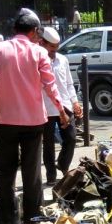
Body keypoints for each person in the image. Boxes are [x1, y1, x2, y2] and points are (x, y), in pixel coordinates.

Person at [0, 8, 68, 224]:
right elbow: (50, 85)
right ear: (33, 32)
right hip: (33, 122)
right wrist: (60, 110)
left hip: (6, 121)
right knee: (32, 174)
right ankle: (32, 222)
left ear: (14, 30)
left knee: (5, 175)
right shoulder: (39, 52)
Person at [39, 27, 83, 186]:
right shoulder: (37, 60)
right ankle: (51, 175)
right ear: (43, 43)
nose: (54, 50)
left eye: (56, 47)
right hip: (45, 108)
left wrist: (75, 102)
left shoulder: (62, 60)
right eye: (51, 47)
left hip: (64, 104)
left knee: (70, 138)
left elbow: (69, 84)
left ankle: (63, 165)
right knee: (48, 143)